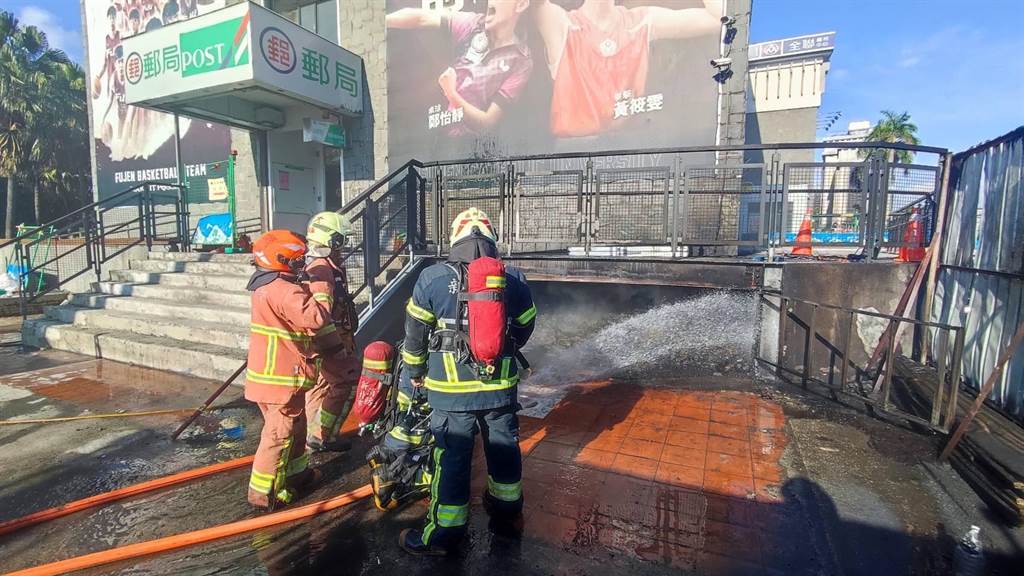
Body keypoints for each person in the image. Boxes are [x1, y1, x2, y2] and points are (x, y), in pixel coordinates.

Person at [399, 207, 537, 556]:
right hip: (499, 388)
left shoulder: (432, 278)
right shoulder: (514, 277)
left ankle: (445, 533)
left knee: (453, 457)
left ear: (454, 239)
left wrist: (415, 373)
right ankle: (507, 509)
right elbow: (526, 324)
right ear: (491, 240)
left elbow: (415, 336)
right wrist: (506, 347)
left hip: (450, 392)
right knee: (504, 447)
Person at [533, 0, 721, 138]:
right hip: (572, 157)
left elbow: (720, 17)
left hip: (628, 152)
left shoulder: (641, 20)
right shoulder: (559, 23)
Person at [244, 230, 334, 511]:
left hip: (268, 377)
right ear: (282, 261)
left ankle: (298, 474)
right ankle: (263, 494)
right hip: (283, 377)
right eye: (297, 261)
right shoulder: (285, 291)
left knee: (295, 427)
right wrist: (320, 286)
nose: (301, 266)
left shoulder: (264, 286)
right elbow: (316, 317)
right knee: (279, 433)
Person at [386, 1, 533, 135]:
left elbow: (487, 123)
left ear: (520, 5)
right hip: (437, 137)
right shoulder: (473, 24)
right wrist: (384, 21)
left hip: (475, 147)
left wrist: (451, 93)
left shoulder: (521, 60)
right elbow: (421, 18)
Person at [303, 212, 361, 453]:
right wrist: (336, 347)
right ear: (332, 241)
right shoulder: (323, 271)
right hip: (332, 342)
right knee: (346, 383)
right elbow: (320, 315)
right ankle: (322, 434)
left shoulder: (324, 267)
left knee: (321, 386)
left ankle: (310, 435)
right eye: (341, 241)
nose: (344, 247)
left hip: (326, 342)